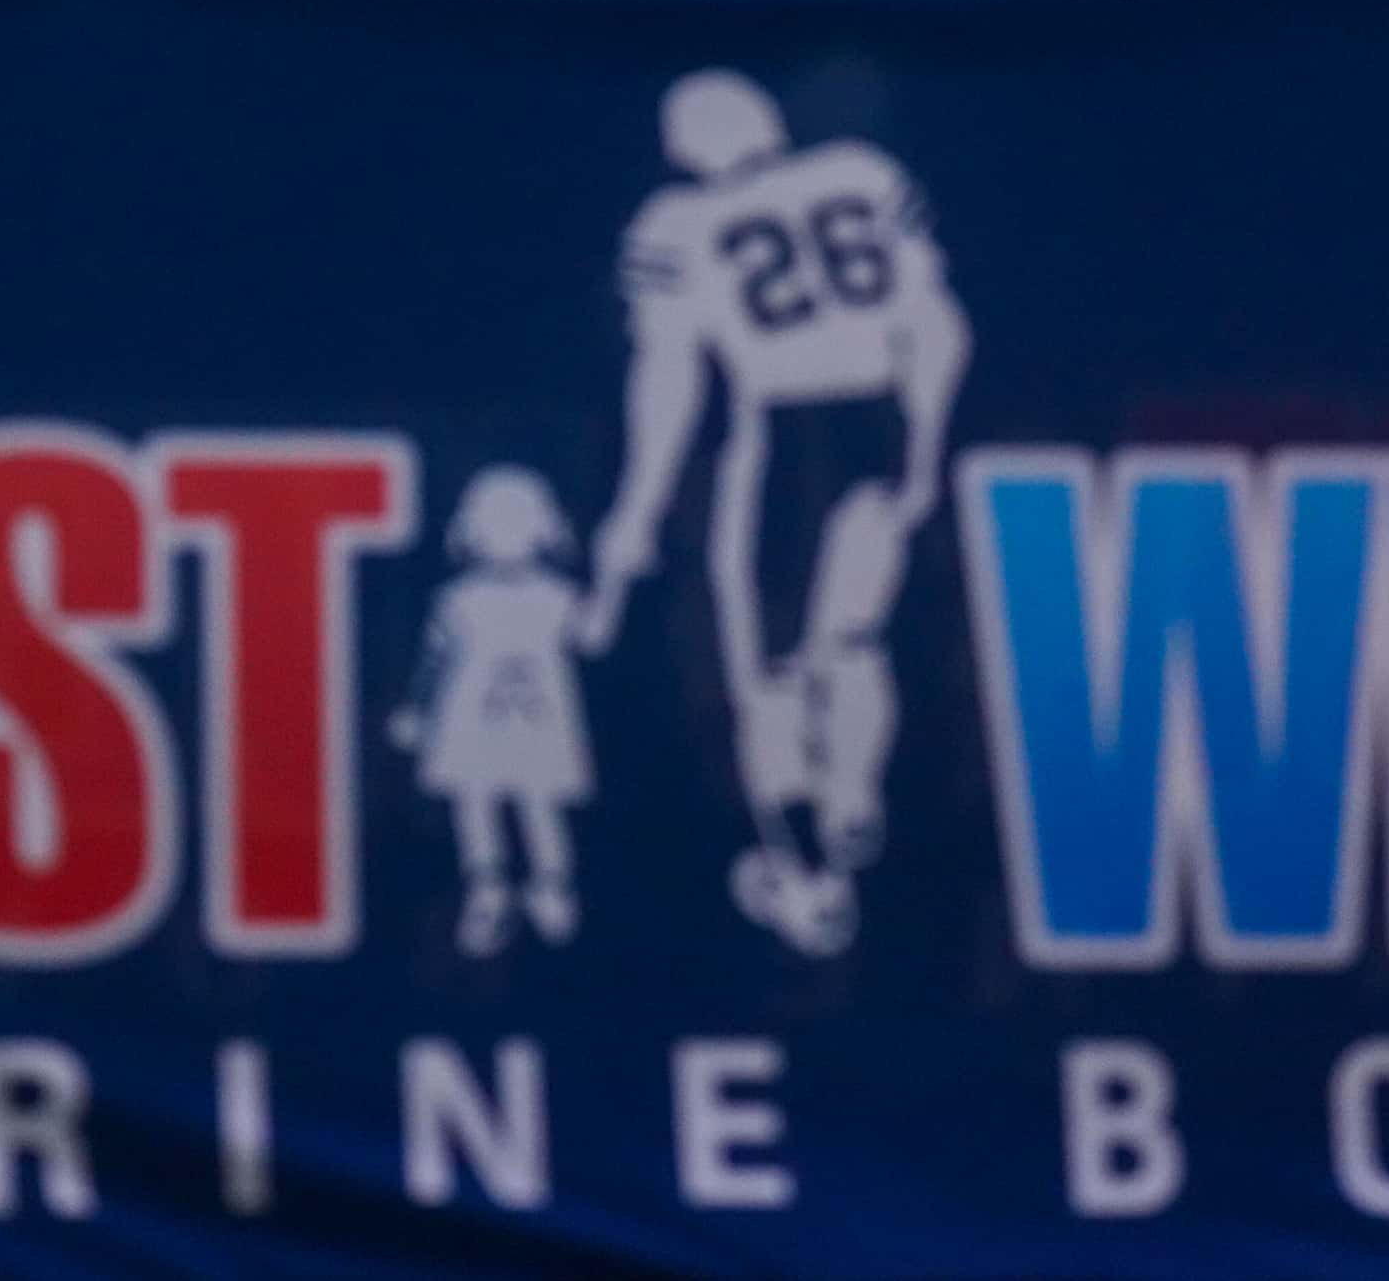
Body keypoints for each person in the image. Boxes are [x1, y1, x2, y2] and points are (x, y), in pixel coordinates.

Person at [584, 70, 971, 957]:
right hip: (879, 418)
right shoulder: (862, 173)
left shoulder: (677, 225)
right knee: (854, 640)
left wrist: (635, 513)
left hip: (790, 439)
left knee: (770, 675)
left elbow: (669, 386)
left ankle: (802, 871)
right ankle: (853, 807)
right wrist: (924, 443)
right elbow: (939, 324)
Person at [391, 467, 595, 957]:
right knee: (474, 801)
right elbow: (433, 662)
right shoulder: (457, 600)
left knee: (538, 802)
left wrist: (615, 580)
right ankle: (488, 886)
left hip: (539, 718)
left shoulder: (557, 597)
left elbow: (592, 637)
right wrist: (417, 711)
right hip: (469, 718)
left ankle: (551, 885)